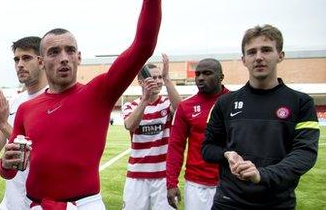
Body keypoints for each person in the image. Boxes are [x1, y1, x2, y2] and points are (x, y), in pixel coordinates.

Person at [0, 0, 163, 208]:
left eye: (69, 51)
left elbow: (143, 47)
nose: (63, 58)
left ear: (79, 57)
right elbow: (9, 169)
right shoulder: (27, 108)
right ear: (41, 61)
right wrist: (5, 163)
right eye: (54, 52)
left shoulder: (98, 93)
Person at [202, 24, 320, 209]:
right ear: (244, 60)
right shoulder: (225, 103)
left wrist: (262, 174)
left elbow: (305, 154)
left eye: (266, 50)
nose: (258, 57)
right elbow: (208, 148)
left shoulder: (301, 102)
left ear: (280, 55)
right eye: (251, 52)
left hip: (278, 203)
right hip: (228, 202)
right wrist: (227, 153)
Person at [0, 36, 48, 210]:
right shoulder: (15, 101)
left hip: (40, 202)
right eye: (16, 59)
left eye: (26, 58)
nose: (20, 64)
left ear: (41, 61)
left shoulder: (51, 99)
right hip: (11, 201)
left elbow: (41, 154)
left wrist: (4, 125)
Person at [165, 58, 229, 210]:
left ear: (221, 77)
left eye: (207, 73)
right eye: (198, 74)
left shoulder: (235, 101)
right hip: (197, 185)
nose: (200, 78)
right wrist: (171, 182)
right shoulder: (185, 107)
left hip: (230, 181)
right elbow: (175, 146)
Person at [121, 54, 180, 210]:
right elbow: (130, 125)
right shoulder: (130, 105)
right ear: (141, 82)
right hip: (136, 176)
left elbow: (181, 112)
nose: (158, 81)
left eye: (160, 77)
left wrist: (168, 79)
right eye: (154, 77)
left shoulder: (167, 103)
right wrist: (145, 100)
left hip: (163, 176)